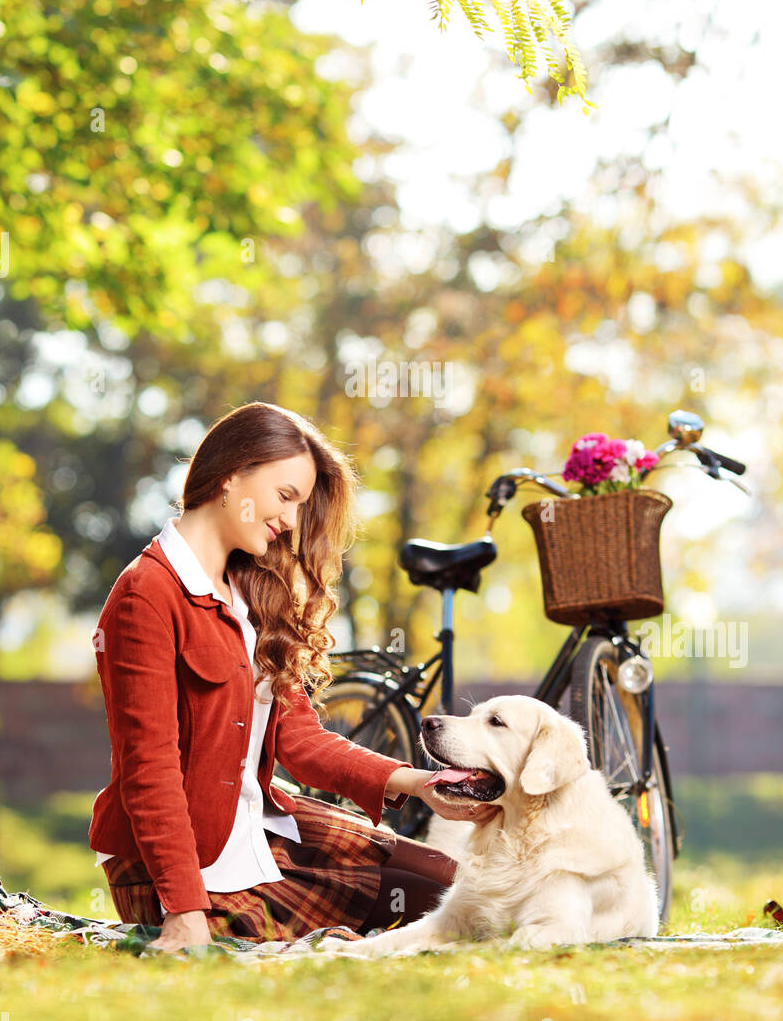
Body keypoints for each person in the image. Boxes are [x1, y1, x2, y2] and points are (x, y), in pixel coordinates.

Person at [89, 401, 498, 953]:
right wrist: (184, 911)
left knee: (453, 888)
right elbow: (149, 769)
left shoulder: (250, 591)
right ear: (232, 476)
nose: (290, 521)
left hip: (260, 826)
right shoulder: (147, 593)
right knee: (319, 950)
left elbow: (299, 739)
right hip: (178, 868)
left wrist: (418, 783)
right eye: (287, 498)